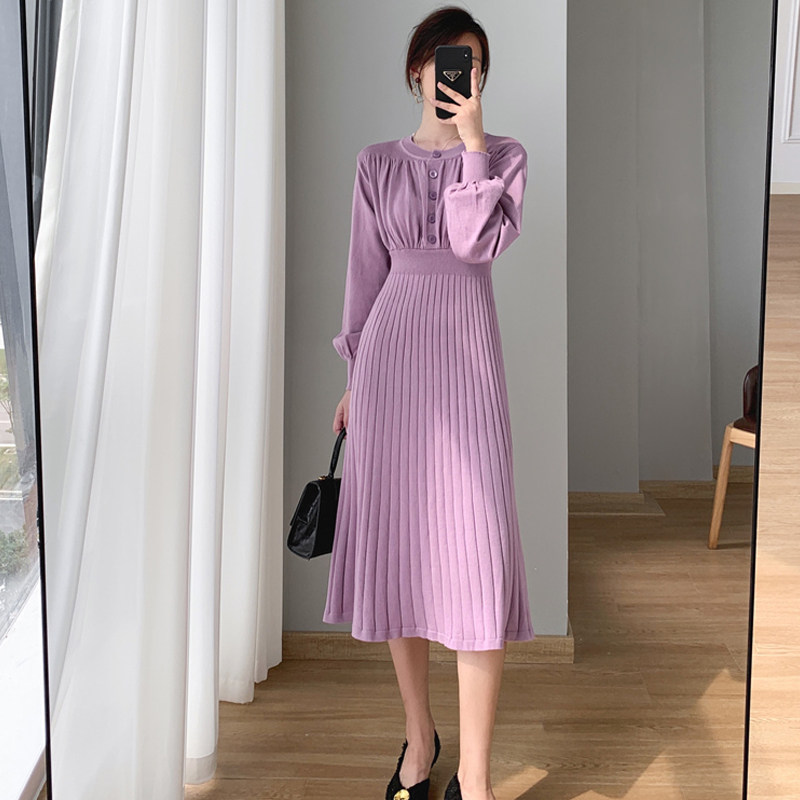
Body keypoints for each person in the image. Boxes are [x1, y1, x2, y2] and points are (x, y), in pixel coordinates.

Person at [322, 7, 535, 800]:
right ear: (418, 69)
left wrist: (473, 145)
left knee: (477, 558)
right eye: (448, 61)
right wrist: (354, 379)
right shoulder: (374, 164)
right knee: (402, 558)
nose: (458, 76)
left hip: (466, 365)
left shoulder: (504, 158)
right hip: (389, 367)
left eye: (472, 66)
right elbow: (364, 279)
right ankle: (419, 740)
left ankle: (474, 780)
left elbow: (475, 246)